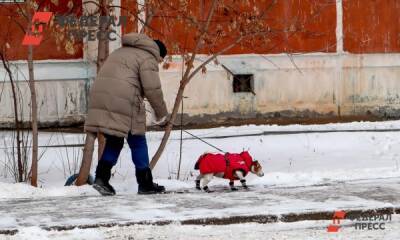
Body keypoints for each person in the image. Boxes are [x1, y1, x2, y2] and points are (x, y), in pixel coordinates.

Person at [84, 33, 169, 195]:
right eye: (161, 59)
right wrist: (163, 115)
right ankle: (145, 184)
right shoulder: (147, 58)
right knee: (137, 140)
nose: (159, 62)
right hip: (124, 101)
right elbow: (153, 90)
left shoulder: (120, 51)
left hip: (101, 98)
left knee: (115, 140)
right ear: (158, 54)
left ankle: (101, 179)